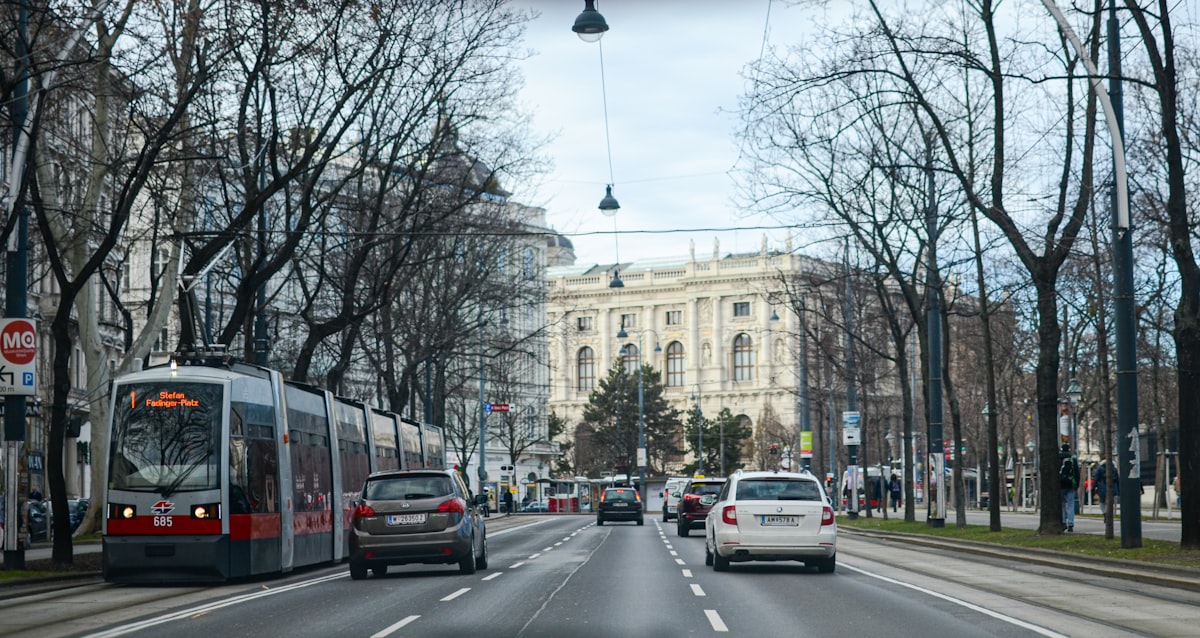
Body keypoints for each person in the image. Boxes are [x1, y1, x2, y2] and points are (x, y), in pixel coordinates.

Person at [1059, 444, 1080, 531]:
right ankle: (1071, 523)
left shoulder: (1058, 458)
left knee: (1062, 504)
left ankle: (1063, 522)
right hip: (1071, 484)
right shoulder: (1073, 459)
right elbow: (1077, 472)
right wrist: (1077, 485)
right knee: (1071, 504)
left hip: (1060, 484)